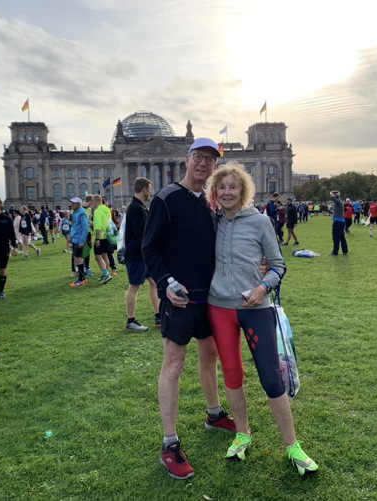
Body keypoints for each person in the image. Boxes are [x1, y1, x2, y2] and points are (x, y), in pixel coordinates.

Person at [205, 163, 318, 475]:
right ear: (215, 192)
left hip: (256, 308)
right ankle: (242, 433)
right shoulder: (211, 221)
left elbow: (278, 265)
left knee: (271, 378)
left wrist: (262, 286)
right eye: (222, 187)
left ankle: (292, 445)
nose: (227, 192)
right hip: (219, 308)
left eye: (233, 187)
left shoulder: (260, 221)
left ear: (243, 191)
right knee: (231, 374)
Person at [143, 137, 235, 480]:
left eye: (210, 160)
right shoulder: (166, 199)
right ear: (187, 159)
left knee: (209, 357)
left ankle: (213, 413)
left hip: (210, 296)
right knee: (174, 364)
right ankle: (169, 443)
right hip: (180, 297)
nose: (203, 164)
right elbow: (149, 249)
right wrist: (167, 284)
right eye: (199, 157)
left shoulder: (211, 203)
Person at [124, 177, 160, 331]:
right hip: (136, 255)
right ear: (144, 189)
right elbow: (142, 236)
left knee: (154, 283)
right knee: (134, 287)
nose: (150, 192)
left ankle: (158, 316)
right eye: (149, 189)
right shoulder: (136, 208)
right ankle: (130, 321)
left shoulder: (138, 207)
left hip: (142, 256)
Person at [0, 197, 18, 300]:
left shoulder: (6, 219)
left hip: (4, 248)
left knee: (3, 270)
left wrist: (14, 247)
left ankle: (1, 292)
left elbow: (11, 234)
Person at [92, 194, 113, 284]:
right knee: (105, 255)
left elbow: (98, 226)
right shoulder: (107, 210)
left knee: (98, 257)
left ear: (95, 201)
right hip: (107, 236)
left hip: (100, 237)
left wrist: (97, 239)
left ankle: (106, 274)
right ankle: (105, 273)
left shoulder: (97, 212)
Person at [68, 197, 89, 287]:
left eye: (74, 203)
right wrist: (71, 236)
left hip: (78, 240)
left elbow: (85, 228)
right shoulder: (75, 213)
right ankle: (82, 278)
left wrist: (81, 240)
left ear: (79, 204)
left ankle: (81, 279)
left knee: (77, 259)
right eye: (72, 203)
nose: (72, 204)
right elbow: (74, 226)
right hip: (75, 238)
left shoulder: (81, 213)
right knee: (77, 258)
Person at [329, 190, 348, 256]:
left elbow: (332, 198)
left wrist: (333, 194)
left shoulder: (338, 201)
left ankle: (335, 251)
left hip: (337, 222)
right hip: (341, 222)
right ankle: (345, 250)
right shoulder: (339, 201)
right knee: (342, 237)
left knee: (336, 237)